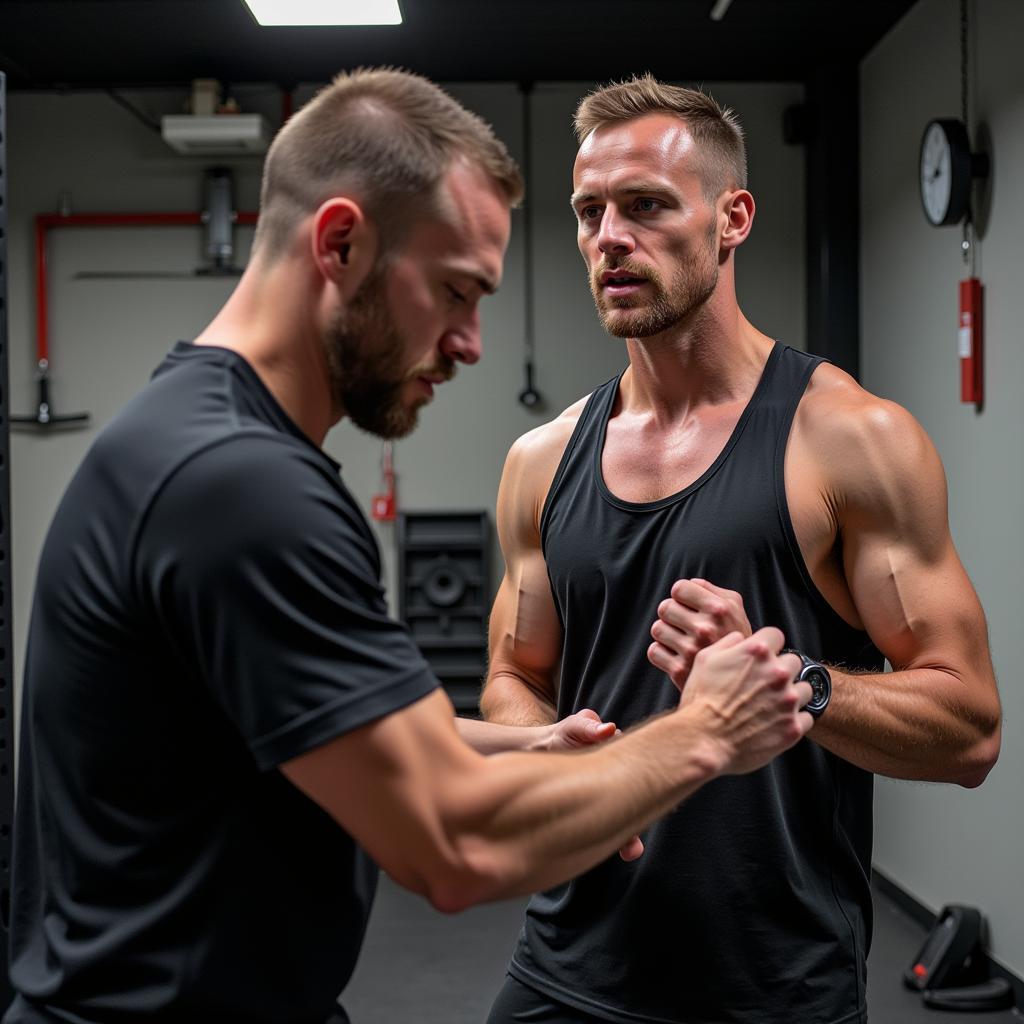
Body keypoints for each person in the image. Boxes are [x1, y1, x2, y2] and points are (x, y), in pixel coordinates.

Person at [4, 70, 816, 1024]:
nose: (472, 343)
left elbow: (293, 724)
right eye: (455, 292)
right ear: (341, 243)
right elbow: (453, 849)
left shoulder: (193, 434)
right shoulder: (241, 489)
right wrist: (705, 732)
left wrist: (534, 744)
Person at [481, 74, 1002, 1024]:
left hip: (775, 983)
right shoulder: (541, 461)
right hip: (566, 966)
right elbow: (514, 674)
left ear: (733, 218)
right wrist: (559, 756)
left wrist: (795, 680)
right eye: (589, 211)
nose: (609, 239)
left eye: (645, 206)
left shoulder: (850, 439)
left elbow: (971, 730)